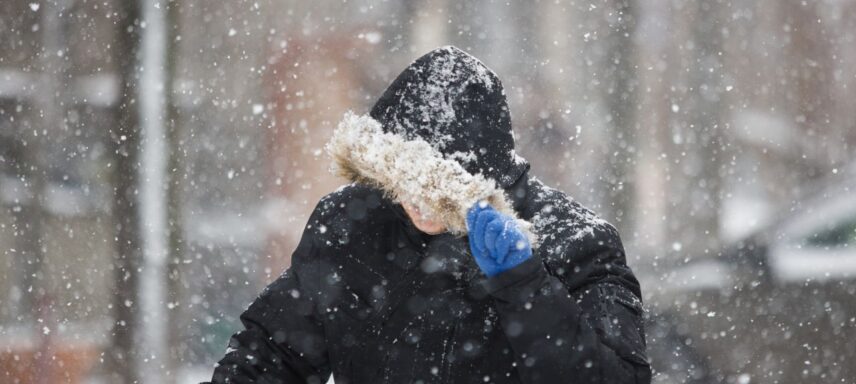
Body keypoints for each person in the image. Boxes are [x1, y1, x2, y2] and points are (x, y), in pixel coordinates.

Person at [205, 46, 651, 383]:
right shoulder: (352, 226)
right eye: (402, 181)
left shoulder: (575, 242)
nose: (416, 202)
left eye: (436, 190)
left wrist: (526, 288)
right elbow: (269, 356)